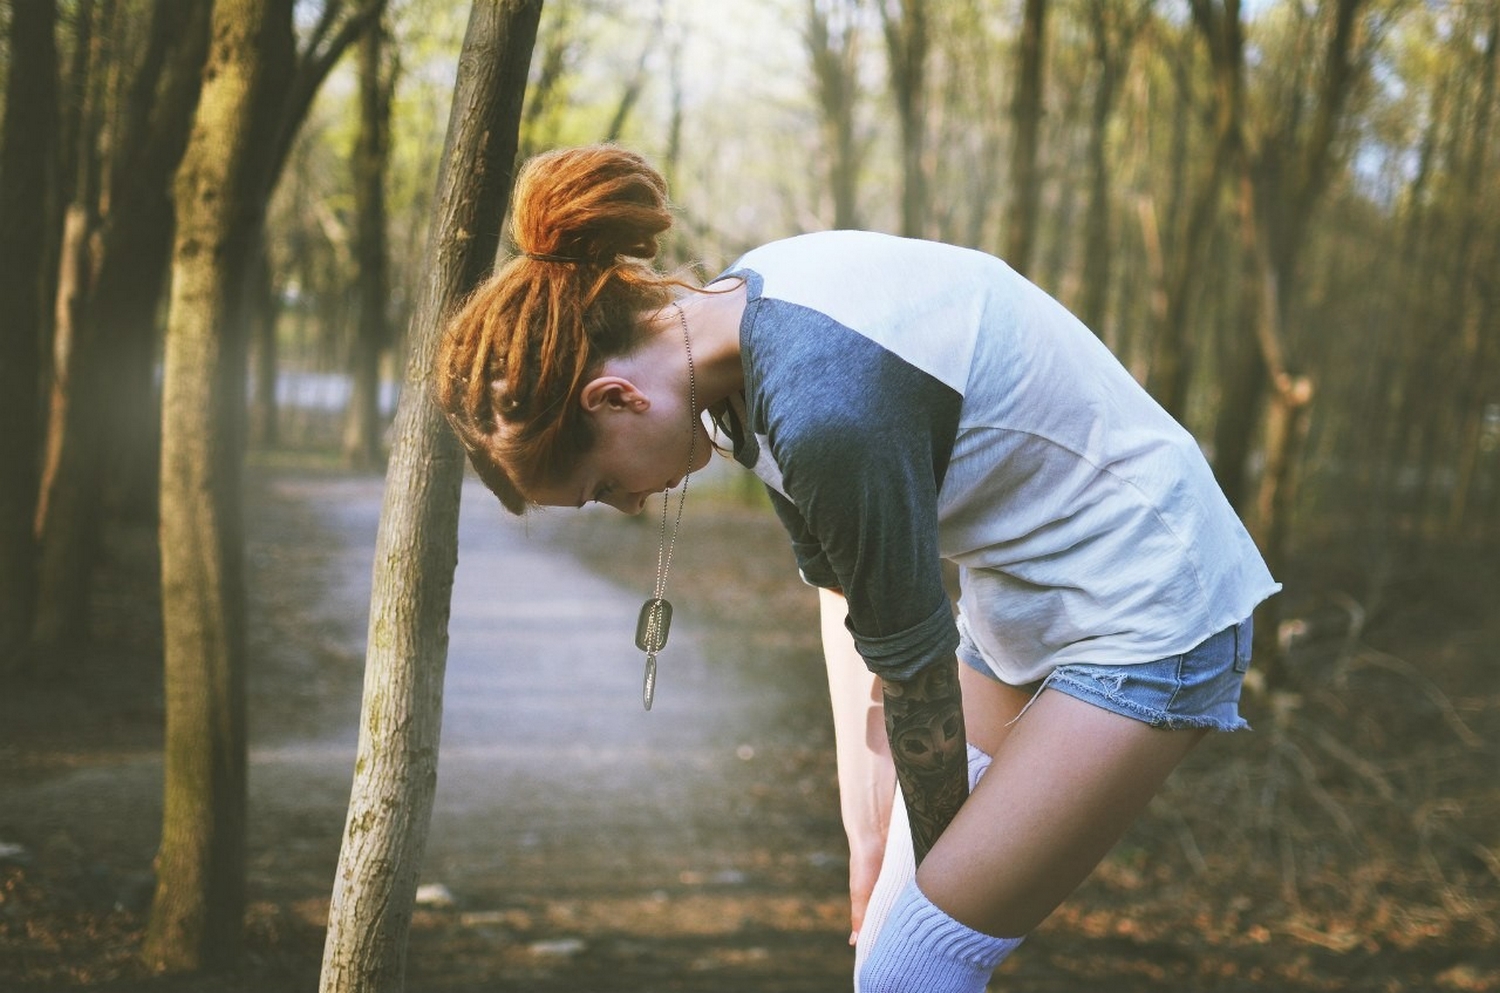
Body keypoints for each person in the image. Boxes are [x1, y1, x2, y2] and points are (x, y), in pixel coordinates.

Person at [435, 144, 1279, 993]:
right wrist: (864, 816)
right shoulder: (732, 323)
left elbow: (914, 675)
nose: (628, 502)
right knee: (890, 946)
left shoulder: (823, 406)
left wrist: (938, 882)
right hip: (1029, 591)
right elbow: (841, 592)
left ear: (616, 399)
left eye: (603, 485)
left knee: (913, 965)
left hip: (1153, 603)